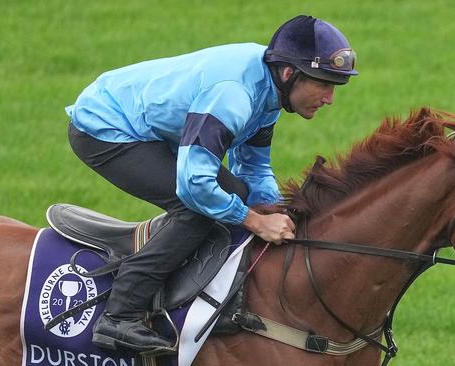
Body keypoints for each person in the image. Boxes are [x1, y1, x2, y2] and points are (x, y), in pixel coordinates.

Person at [65, 15, 358, 353]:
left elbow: (253, 168)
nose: (330, 98)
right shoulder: (234, 95)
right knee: (197, 210)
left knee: (237, 194)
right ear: (291, 74)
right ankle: (119, 316)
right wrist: (256, 221)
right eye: (324, 84)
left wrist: (281, 212)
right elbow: (194, 186)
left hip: (149, 130)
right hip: (104, 129)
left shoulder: (271, 87)